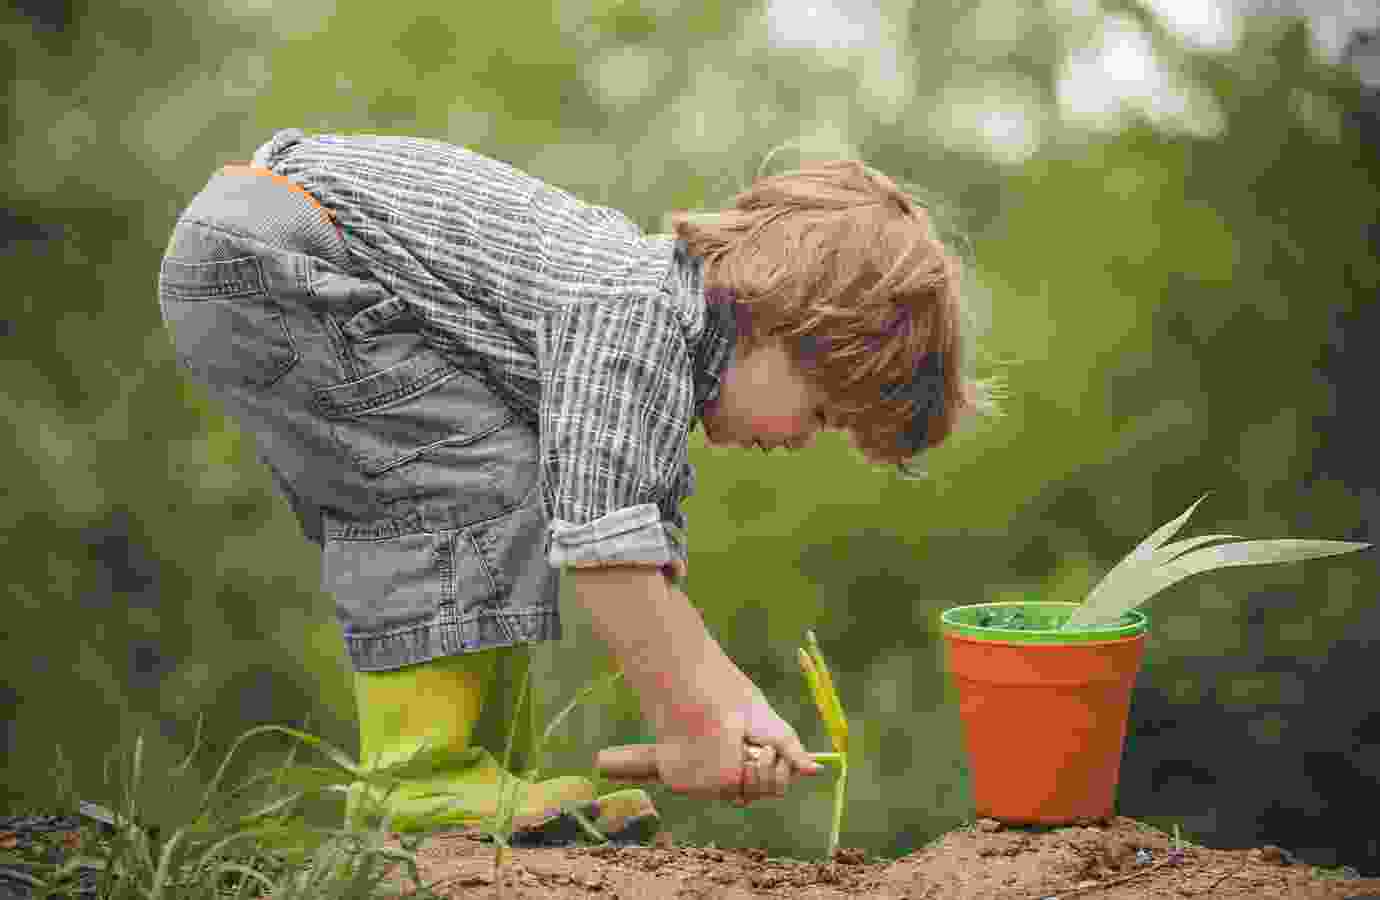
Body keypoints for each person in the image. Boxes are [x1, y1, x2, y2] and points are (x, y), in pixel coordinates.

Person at [155, 128, 1005, 844]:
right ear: (778, 321)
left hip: (280, 241)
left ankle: (481, 776)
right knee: (459, 474)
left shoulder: (654, 372)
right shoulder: (633, 316)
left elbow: (647, 577)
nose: (798, 440)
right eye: (820, 411)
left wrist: (717, 712)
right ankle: (424, 778)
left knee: (499, 477)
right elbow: (608, 556)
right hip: (278, 247)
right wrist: (689, 713)